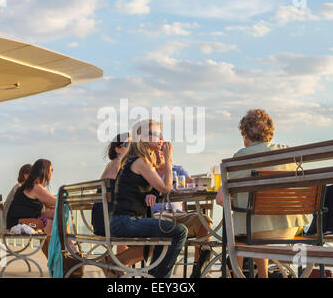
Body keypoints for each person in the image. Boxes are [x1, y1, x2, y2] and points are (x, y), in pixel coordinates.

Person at [216, 109, 311, 278]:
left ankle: (237, 277)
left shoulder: (242, 157)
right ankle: (263, 275)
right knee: (259, 221)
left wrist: (229, 195)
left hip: (256, 232)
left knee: (241, 229)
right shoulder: (287, 153)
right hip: (290, 228)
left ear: (246, 134)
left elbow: (220, 199)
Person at [109, 119, 188, 278]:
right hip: (125, 222)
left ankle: (153, 276)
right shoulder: (140, 161)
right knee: (180, 231)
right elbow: (166, 188)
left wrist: (153, 191)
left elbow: (154, 187)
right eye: (157, 134)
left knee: (164, 231)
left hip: (123, 220)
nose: (161, 138)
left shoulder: (136, 160)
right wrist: (168, 160)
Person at [151, 149, 213, 278]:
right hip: (157, 215)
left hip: (179, 214)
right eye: (155, 152)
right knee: (163, 226)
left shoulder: (178, 170)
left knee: (204, 221)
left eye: (162, 152)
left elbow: (191, 183)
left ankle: (198, 269)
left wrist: (205, 182)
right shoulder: (147, 172)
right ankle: (158, 271)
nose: (159, 154)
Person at [6, 159, 56, 235]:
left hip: (16, 221)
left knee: (56, 214)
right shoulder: (35, 187)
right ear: (44, 171)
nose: (52, 172)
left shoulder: (28, 186)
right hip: (19, 223)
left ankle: (65, 244)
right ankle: (67, 244)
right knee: (55, 221)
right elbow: (56, 201)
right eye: (51, 170)